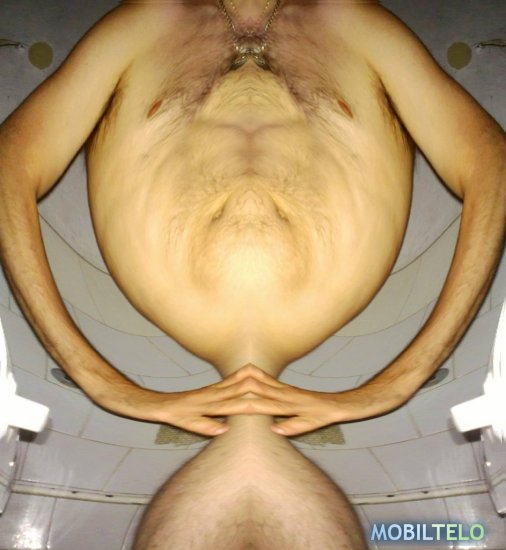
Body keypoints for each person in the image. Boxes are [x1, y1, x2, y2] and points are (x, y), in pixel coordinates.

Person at [0, 0, 504, 547]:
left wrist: (403, 379)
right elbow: (10, 164)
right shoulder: (146, 20)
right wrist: (97, 379)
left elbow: (490, 163)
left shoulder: (354, 20)